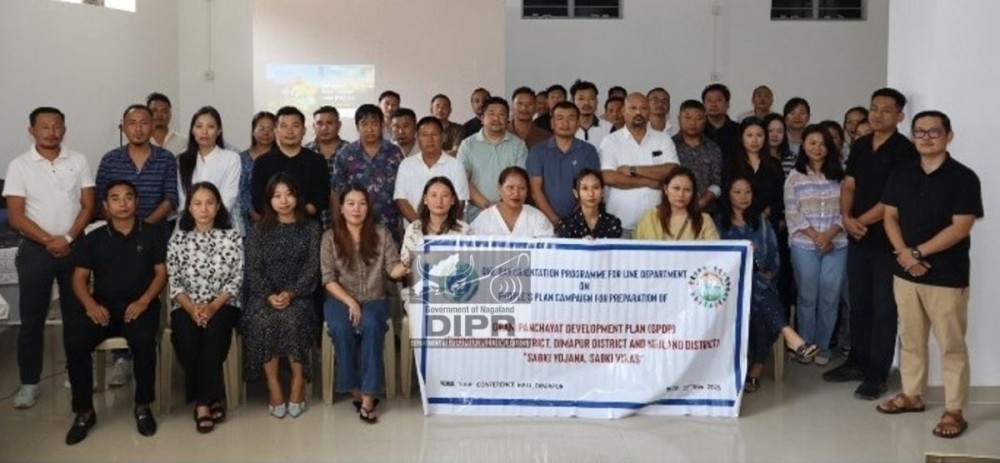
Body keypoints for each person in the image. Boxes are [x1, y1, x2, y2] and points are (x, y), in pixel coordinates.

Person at [877, 110, 983, 439]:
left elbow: (961, 227)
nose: (925, 137)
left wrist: (918, 253)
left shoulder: (964, 177)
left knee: (951, 345)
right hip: (906, 274)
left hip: (947, 276)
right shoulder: (901, 173)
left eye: (933, 132)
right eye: (919, 132)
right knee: (911, 339)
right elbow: (889, 217)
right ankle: (912, 395)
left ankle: (954, 409)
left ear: (948, 136)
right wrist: (906, 257)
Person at [824, 88, 919, 402]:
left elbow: (893, 196)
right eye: (873, 108)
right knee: (859, 303)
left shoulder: (905, 150)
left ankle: (877, 373)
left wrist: (859, 221)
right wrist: (846, 216)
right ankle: (857, 362)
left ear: (900, 116)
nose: (877, 114)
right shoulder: (862, 144)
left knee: (883, 308)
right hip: (857, 237)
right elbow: (849, 183)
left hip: (887, 241)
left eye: (886, 110)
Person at [4, 107, 95, 409]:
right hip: (34, 251)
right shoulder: (19, 165)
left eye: (57, 126)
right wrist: (49, 240)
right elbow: (16, 217)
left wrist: (68, 239)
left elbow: (88, 205)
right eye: (44, 126)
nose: (51, 131)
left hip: (75, 247)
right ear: (32, 130)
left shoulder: (78, 160)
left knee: (76, 316)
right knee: (32, 320)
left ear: (64, 130)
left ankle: (76, 372)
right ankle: (29, 382)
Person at [65, 180, 167, 445]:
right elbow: (79, 278)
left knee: (144, 341)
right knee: (75, 341)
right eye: (115, 198)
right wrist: (91, 306)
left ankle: (142, 406)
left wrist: (144, 301)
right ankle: (84, 412)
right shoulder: (95, 238)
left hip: (140, 305)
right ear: (106, 205)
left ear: (137, 201)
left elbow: (161, 273)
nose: (122, 203)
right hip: (103, 307)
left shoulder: (152, 233)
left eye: (128, 197)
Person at [714, 176, 817, 392]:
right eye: (737, 192)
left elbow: (774, 261)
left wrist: (761, 268)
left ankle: (757, 368)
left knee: (758, 294)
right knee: (756, 290)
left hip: (759, 282)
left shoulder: (761, 222)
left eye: (748, 192)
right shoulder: (718, 222)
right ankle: (788, 334)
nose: (743, 197)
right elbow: (713, 260)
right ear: (728, 194)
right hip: (727, 286)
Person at [321, 185, 409, 423]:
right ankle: (353, 389)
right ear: (341, 208)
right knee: (340, 327)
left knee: (371, 324)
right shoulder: (329, 237)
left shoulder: (381, 234)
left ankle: (368, 397)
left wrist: (406, 264)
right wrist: (350, 302)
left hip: (375, 298)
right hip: (339, 297)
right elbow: (327, 279)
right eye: (350, 203)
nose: (356, 208)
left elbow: (392, 269)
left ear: (368, 207)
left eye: (362, 203)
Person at [243, 173, 321, 419]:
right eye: (277, 196)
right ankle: (274, 384)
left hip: (300, 295)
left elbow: (313, 268)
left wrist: (292, 292)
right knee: (263, 320)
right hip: (264, 296)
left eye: (289, 194)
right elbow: (252, 269)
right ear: (269, 200)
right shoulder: (258, 230)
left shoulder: (311, 228)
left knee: (293, 319)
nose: (284, 201)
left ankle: (298, 381)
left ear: (297, 197)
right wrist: (269, 295)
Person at [166, 182, 243, 433]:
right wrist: (191, 309)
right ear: (189, 207)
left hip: (224, 303)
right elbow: (175, 282)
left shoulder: (231, 236)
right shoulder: (177, 240)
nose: (204, 209)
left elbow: (236, 279)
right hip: (186, 305)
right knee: (185, 335)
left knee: (213, 335)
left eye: (210, 203)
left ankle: (201, 403)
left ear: (218, 205)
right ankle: (212, 397)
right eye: (197, 203)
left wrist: (211, 307)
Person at [784, 124, 848, 366]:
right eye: (812, 143)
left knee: (830, 297)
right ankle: (806, 346)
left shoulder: (841, 174)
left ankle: (823, 346)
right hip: (804, 244)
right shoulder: (794, 176)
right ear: (803, 145)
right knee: (807, 297)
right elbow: (793, 212)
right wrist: (816, 236)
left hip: (838, 243)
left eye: (822, 143)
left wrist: (829, 235)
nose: (817, 148)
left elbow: (847, 210)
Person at [599, 93, 679, 237]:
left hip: (657, 223)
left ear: (649, 112)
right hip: (620, 222)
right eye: (633, 108)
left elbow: (671, 170)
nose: (638, 112)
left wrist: (633, 170)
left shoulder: (663, 139)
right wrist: (648, 181)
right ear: (624, 112)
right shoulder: (610, 141)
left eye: (643, 108)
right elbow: (609, 177)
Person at [330, 104, 404, 240]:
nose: (369, 129)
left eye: (374, 124)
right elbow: (336, 192)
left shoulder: (395, 152)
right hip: (354, 226)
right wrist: (338, 224)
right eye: (364, 124)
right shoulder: (345, 154)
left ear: (382, 125)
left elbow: (403, 191)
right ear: (357, 127)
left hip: (389, 225)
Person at [250, 106, 330, 223]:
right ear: (276, 131)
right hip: (273, 227)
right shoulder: (262, 162)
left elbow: (323, 196)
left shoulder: (317, 161)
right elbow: (258, 199)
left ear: (304, 130)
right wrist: (282, 216)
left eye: (295, 126)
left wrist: (301, 212)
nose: (289, 131)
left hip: (309, 226)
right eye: (284, 126)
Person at [527, 101, 602, 226]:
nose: (565, 123)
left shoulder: (588, 151)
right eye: (560, 118)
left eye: (571, 118)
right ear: (552, 123)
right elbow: (536, 190)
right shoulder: (537, 151)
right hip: (543, 222)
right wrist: (556, 221)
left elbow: (592, 188)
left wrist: (572, 221)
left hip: (581, 222)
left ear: (578, 123)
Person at [458, 97, 529, 223]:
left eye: (502, 114)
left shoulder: (519, 145)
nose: (497, 119)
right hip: (476, 215)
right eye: (492, 114)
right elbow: (462, 180)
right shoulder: (468, 145)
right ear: (482, 118)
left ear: (508, 118)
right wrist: (489, 207)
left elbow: (520, 182)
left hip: (511, 215)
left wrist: (502, 210)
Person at [393, 117, 470, 227]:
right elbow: (401, 200)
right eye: (424, 135)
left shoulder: (456, 166)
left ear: (443, 137)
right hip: (414, 231)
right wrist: (421, 226)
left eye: (434, 134)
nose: (429, 139)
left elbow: (460, 201)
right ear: (417, 137)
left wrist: (442, 227)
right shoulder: (406, 164)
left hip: (447, 231)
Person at [176, 106, 241, 234]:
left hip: (220, 227)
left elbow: (229, 195)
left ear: (219, 131)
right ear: (192, 131)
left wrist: (209, 219)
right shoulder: (182, 159)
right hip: (188, 228)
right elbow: (181, 196)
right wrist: (196, 221)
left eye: (210, 127)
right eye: (199, 126)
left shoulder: (231, 158)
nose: (204, 132)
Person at [730, 118, 785, 232]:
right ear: (741, 137)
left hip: (768, 223)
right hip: (737, 223)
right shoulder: (731, 163)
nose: (754, 140)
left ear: (765, 138)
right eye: (749, 135)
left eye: (759, 135)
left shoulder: (774, 164)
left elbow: (780, 195)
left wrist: (767, 212)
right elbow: (726, 193)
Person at [400, 177, 471, 265]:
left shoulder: (464, 229)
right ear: (425, 199)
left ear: (452, 200)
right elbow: (406, 265)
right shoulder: (414, 229)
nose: (439, 201)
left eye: (445, 195)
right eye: (434, 195)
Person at [635, 167, 719, 241]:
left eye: (687, 190)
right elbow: (636, 253)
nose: (681, 194)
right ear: (666, 189)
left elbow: (715, 255)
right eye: (676, 188)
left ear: (693, 193)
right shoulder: (649, 217)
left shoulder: (704, 220)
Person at [470, 166, 554, 238]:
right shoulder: (486, 218)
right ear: (499, 188)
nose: (516, 193)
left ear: (527, 191)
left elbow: (548, 250)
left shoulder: (536, 218)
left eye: (522, 188)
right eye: (510, 187)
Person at [672, 100, 723, 211]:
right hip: (674, 210)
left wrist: (702, 202)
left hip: (707, 212)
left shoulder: (713, 148)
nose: (693, 123)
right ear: (679, 119)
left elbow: (717, 182)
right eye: (688, 118)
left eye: (698, 118)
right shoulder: (669, 145)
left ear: (705, 120)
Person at [555, 169, 623, 239]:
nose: (591, 193)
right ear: (576, 193)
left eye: (596, 188)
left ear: (602, 191)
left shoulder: (613, 223)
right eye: (585, 188)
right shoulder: (566, 225)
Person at [238, 111, 276, 232]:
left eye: (271, 129)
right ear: (253, 131)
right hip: (248, 219)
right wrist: (251, 211)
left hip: (279, 217)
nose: (266, 132)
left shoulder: (281, 157)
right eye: (261, 128)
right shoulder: (241, 158)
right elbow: (240, 189)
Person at [701, 83, 740, 172]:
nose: (713, 104)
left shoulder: (739, 130)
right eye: (709, 100)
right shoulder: (697, 131)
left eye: (718, 100)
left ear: (727, 104)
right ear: (704, 105)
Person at [571, 79, 612, 147]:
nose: (586, 103)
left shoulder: (609, 128)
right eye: (581, 99)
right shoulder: (565, 128)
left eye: (591, 98)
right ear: (572, 101)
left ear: (597, 101)